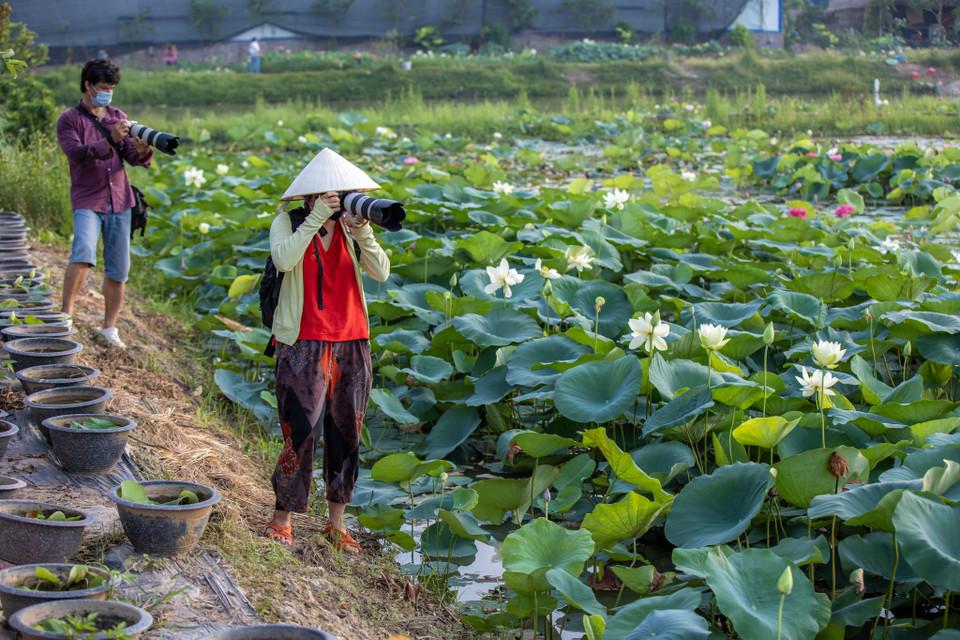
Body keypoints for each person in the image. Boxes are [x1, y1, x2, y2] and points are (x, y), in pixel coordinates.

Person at [265, 148, 390, 553]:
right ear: (314, 194)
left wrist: (363, 232)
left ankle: (335, 523)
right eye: (336, 194)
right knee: (299, 431)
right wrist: (317, 218)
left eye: (347, 193)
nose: (343, 199)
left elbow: (381, 272)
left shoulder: (352, 232)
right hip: (304, 341)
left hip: (353, 340)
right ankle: (282, 518)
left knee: (347, 432)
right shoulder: (289, 221)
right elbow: (283, 260)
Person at [55, 58, 153, 348]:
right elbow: (78, 154)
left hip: (120, 199)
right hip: (88, 197)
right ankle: (65, 316)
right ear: (88, 85)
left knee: (118, 268)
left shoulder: (117, 115)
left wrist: (143, 149)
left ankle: (109, 328)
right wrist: (110, 139)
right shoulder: (69, 119)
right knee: (83, 251)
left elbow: (133, 159)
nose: (108, 93)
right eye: (103, 87)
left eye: (111, 88)